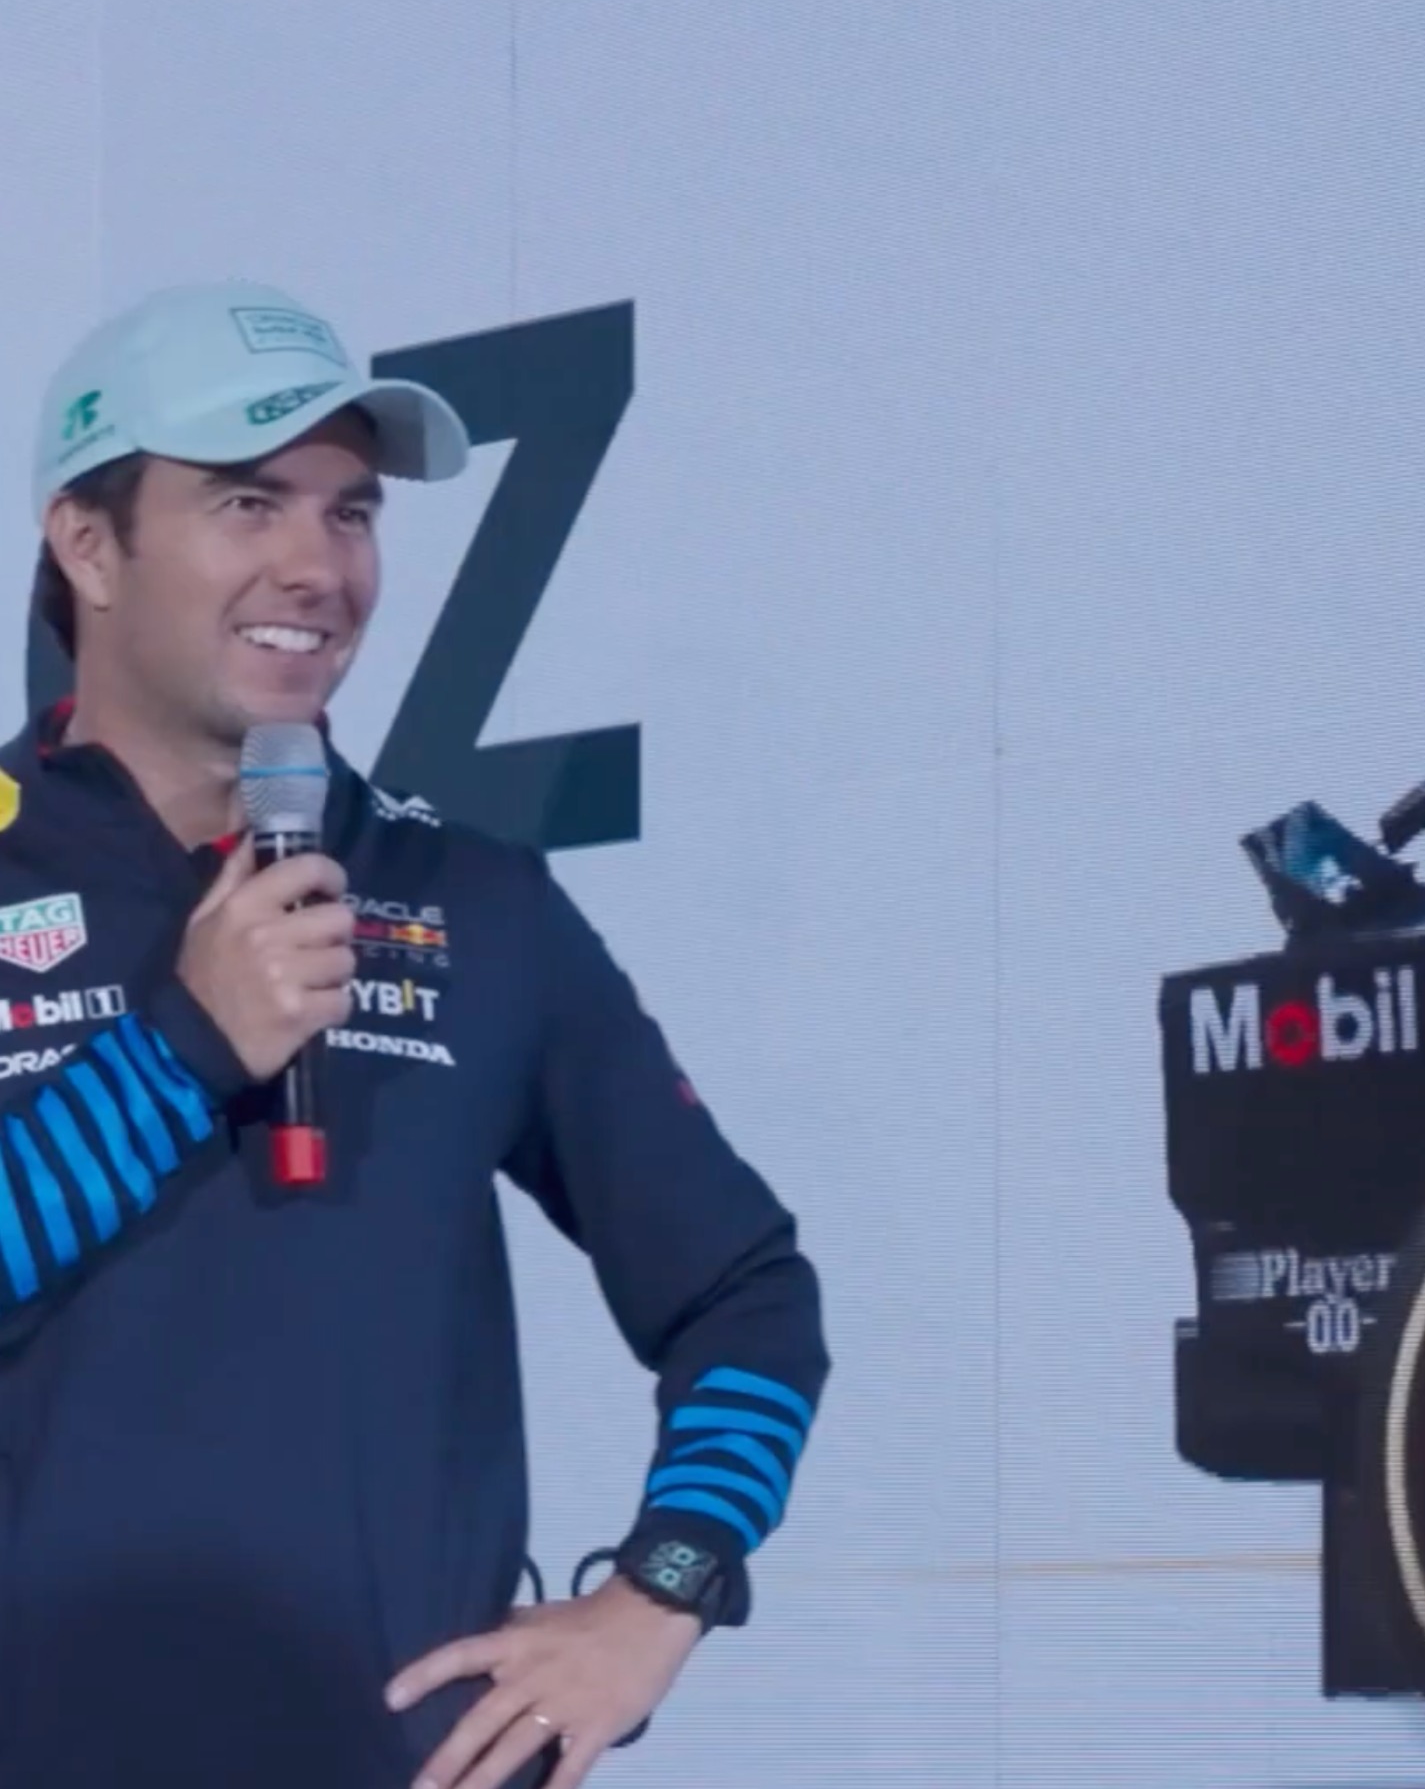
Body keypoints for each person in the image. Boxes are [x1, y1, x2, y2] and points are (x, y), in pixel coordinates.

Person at [0, 281, 831, 1789]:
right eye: (250, 503)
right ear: (87, 543)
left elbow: (747, 1296)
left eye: (351, 514)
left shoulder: (478, 899)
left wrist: (663, 1594)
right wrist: (180, 1047)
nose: (317, 568)